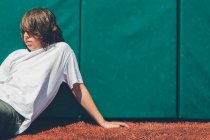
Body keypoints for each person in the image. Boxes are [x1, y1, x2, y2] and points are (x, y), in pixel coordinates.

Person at [0, 8, 128, 136]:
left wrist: (102, 121)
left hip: (13, 112)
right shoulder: (16, 55)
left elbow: (78, 88)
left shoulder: (61, 51)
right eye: (24, 31)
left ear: (43, 30)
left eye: (31, 31)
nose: (25, 36)